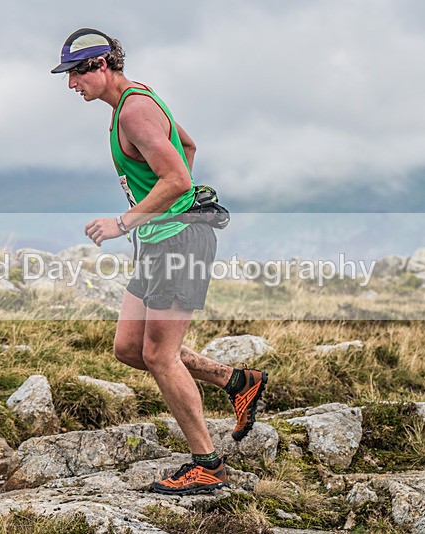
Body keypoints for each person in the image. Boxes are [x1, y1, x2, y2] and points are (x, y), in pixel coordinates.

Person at [51, 28, 268, 495]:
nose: (71, 85)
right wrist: (157, 217)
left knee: (160, 354)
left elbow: (177, 175)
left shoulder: (133, 110)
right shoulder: (135, 102)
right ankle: (235, 380)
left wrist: (124, 222)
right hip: (161, 239)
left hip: (180, 242)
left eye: (74, 74)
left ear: (100, 66)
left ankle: (206, 466)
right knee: (130, 348)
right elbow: (187, 146)